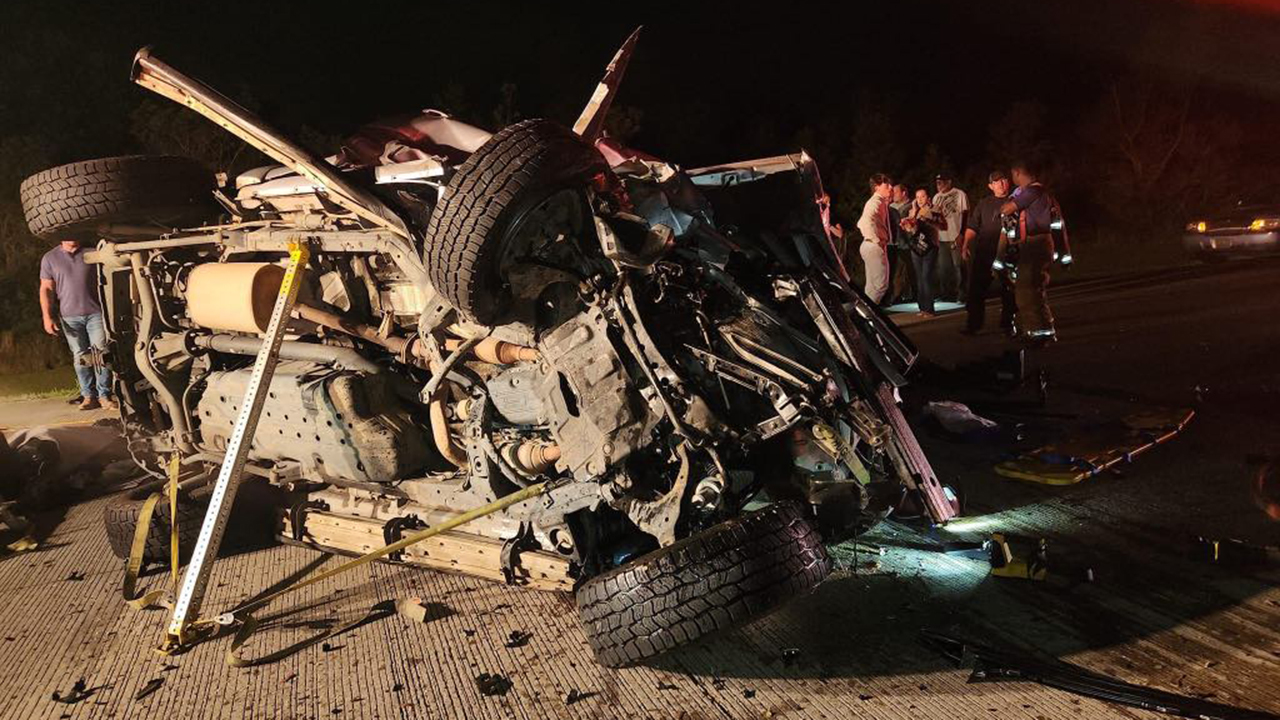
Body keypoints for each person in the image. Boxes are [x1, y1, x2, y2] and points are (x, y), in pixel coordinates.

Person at [40, 239, 114, 410]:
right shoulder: (50, 258)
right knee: (80, 356)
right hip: (69, 316)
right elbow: (46, 288)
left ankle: (105, 396)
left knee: (101, 353)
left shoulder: (94, 251)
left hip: (96, 313)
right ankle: (88, 396)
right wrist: (47, 316)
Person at [999, 161, 1057, 343]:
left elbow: (1007, 209)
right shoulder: (1040, 192)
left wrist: (1007, 204)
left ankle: (1039, 332)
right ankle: (1041, 329)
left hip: (1035, 244)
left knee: (1026, 290)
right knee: (1033, 288)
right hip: (1039, 243)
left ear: (1018, 173)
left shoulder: (1032, 191)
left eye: (1013, 174)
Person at [959, 170, 1017, 336]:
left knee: (1009, 290)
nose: (1002, 183)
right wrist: (966, 246)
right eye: (997, 181)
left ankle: (1008, 324)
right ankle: (973, 325)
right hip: (985, 253)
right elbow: (972, 227)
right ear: (990, 186)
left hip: (1008, 254)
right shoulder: (984, 203)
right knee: (976, 289)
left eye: (1004, 180)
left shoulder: (1015, 201)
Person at [900, 188, 945, 316]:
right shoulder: (913, 211)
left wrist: (929, 221)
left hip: (930, 246)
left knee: (926, 277)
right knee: (919, 277)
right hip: (916, 247)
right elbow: (911, 230)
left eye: (922, 196)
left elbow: (943, 226)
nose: (920, 200)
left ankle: (929, 309)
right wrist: (907, 223)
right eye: (917, 197)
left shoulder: (935, 209)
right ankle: (922, 308)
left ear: (928, 197)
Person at [855, 173, 894, 304]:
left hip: (869, 245)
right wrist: (877, 240)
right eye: (887, 184)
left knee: (871, 287)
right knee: (880, 286)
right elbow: (863, 222)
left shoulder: (879, 202)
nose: (890, 187)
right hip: (873, 245)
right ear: (877, 187)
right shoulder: (876, 201)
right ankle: (867, 317)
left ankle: (866, 317)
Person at [931, 173, 970, 302]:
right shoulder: (936, 198)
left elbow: (965, 215)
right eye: (937, 183)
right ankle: (947, 294)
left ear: (949, 182)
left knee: (959, 266)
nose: (939, 185)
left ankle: (962, 294)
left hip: (955, 235)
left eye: (941, 182)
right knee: (944, 267)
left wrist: (962, 233)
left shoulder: (959, 194)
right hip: (942, 237)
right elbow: (935, 218)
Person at [887, 183, 916, 305]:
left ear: (904, 193)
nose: (893, 194)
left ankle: (916, 294)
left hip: (909, 243)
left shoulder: (911, 206)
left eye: (896, 192)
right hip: (895, 244)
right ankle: (896, 296)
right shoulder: (891, 207)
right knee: (896, 272)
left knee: (912, 271)